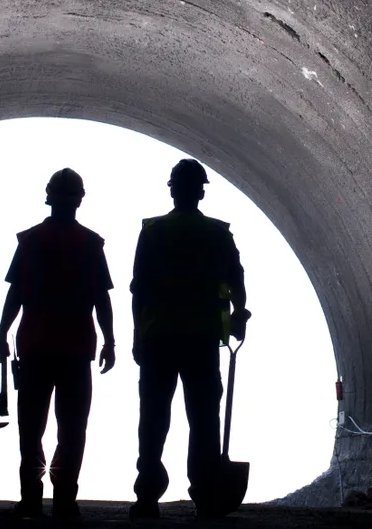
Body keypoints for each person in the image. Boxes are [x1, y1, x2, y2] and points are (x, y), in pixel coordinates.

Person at [128, 158, 251, 520]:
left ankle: (147, 496)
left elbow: (139, 290)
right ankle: (205, 494)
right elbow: (237, 280)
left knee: (153, 418)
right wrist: (239, 317)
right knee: (203, 419)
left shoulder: (152, 232)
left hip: (158, 340)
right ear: (199, 191)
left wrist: (137, 335)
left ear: (172, 189)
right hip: (201, 340)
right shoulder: (217, 233)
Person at [0, 168, 116, 523]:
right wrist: (109, 340)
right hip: (75, 350)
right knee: (72, 428)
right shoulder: (90, 244)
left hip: (36, 347)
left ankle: (31, 500)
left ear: (49, 196)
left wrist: (2, 332)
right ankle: (64, 500)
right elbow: (101, 299)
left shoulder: (31, 241)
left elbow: (15, 292)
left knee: (31, 428)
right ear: (79, 199)